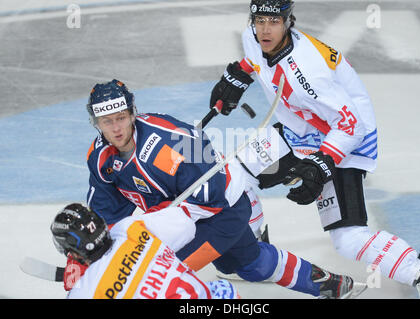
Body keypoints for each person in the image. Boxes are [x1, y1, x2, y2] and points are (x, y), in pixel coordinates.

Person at [208, 0, 420, 299]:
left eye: (273, 22)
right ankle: (251, 252)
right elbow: (254, 57)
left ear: (288, 21)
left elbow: (351, 124)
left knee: (348, 238)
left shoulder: (309, 71)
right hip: (298, 132)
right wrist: (239, 74)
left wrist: (321, 165)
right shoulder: (254, 37)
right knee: (231, 175)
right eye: (259, 21)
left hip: (344, 140)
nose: (265, 29)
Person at [62, 78, 363, 299]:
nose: (116, 128)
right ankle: (329, 284)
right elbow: (105, 215)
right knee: (251, 264)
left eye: (121, 118)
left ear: (132, 112)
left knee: (152, 273)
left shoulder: (165, 143)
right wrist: (87, 254)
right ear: (96, 122)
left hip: (222, 212)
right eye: (106, 121)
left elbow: (212, 193)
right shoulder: (101, 158)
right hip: (188, 217)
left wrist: (157, 220)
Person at [51, 203, 239, 299]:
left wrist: (81, 282)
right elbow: (186, 227)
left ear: (75, 254)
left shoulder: (86, 291)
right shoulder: (130, 227)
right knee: (222, 291)